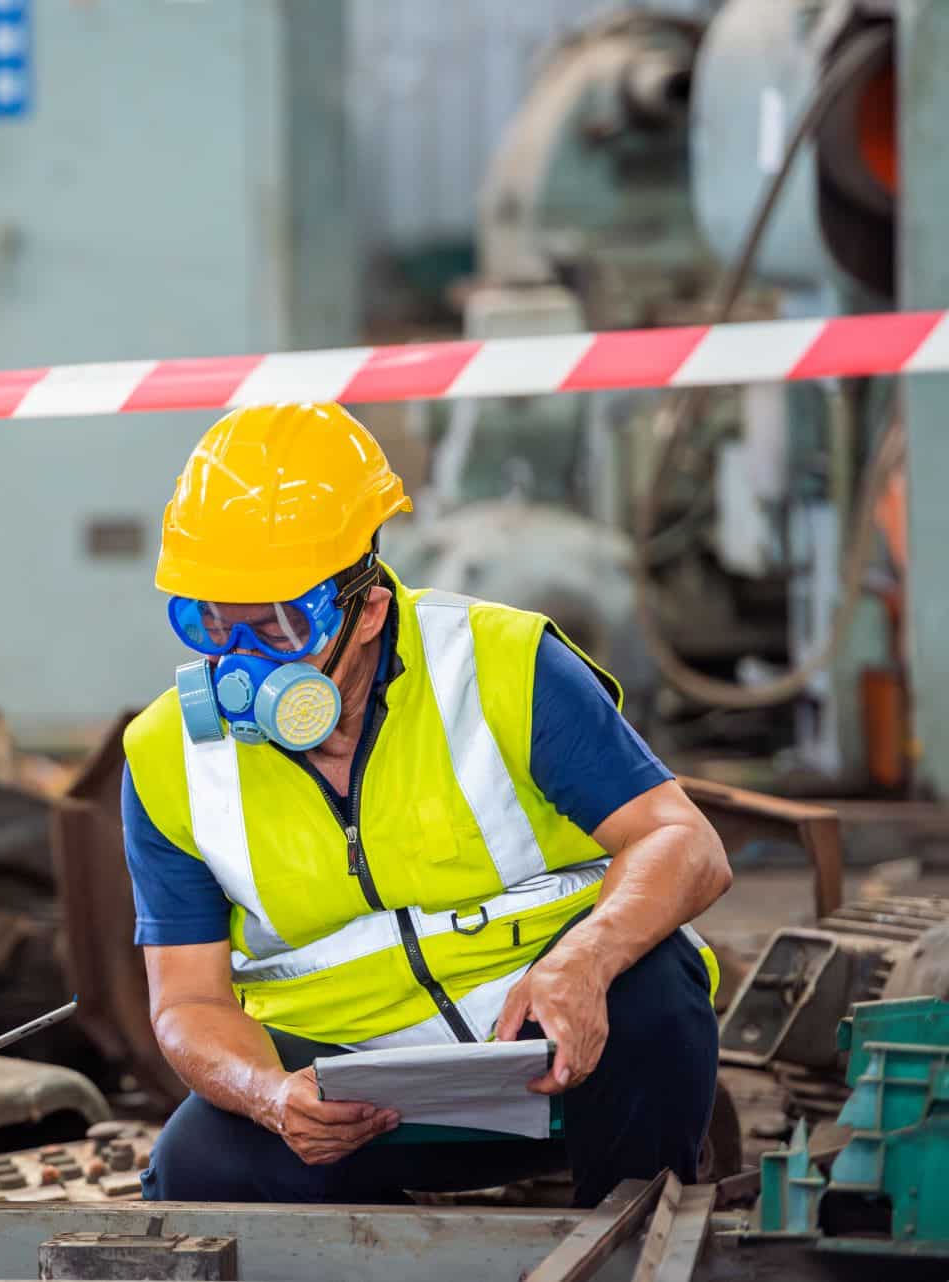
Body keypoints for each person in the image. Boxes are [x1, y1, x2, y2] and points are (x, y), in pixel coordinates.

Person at [121, 403, 732, 1208]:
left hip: (556, 1064)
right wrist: (272, 1097)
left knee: (655, 990)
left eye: (278, 629)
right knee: (195, 1166)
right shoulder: (169, 757)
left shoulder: (500, 665)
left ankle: (628, 1231)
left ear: (366, 610)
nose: (241, 666)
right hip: (353, 1111)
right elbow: (188, 1001)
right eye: (208, 622)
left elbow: (683, 843)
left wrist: (585, 963)